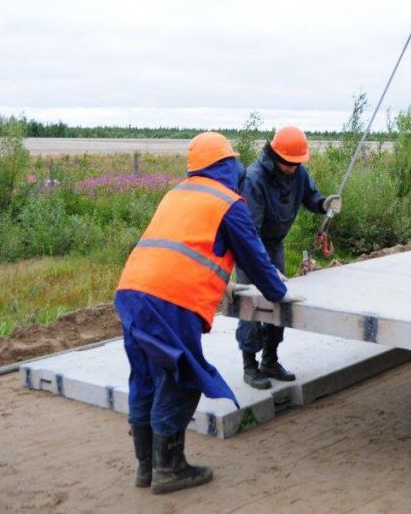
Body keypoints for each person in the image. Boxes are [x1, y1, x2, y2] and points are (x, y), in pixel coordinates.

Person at [115, 132, 297, 494]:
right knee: (182, 377)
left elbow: (182, 245)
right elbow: (257, 262)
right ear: (228, 165)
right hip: (171, 301)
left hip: (131, 292)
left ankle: (146, 468)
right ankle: (170, 469)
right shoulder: (228, 202)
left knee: (146, 376)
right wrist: (279, 292)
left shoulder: (176, 193)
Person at [235, 126, 341, 389]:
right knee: (252, 305)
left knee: (279, 303)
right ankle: (250, 365)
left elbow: (310, 196)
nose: (293, 168)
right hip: (251, 248)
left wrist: (324, 204)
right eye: (289, 163)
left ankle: (270, 360)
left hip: (275, 245)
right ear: (276, 156)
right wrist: (266, 269)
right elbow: (250, 232)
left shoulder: (298, 172)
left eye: (297, 163)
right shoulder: (254, 179)